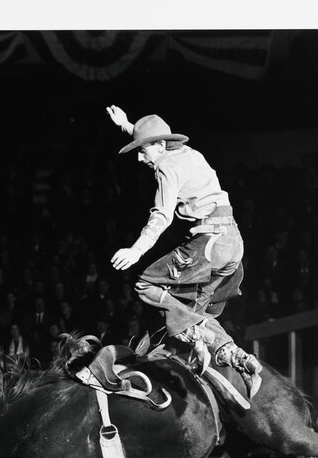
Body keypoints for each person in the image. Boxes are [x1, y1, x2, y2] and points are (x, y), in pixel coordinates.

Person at [106, 105, 262, 395]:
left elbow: (162, 215)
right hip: (233, 245)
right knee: (192, 312)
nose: (140, 159)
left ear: (161, 146)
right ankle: (238, 358)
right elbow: (153, 139)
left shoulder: (166, 166)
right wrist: (128, 126)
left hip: (209, 244)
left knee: (145, 284)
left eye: (143, 152)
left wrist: (136, 250)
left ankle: (199, 337)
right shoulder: (191, 154)